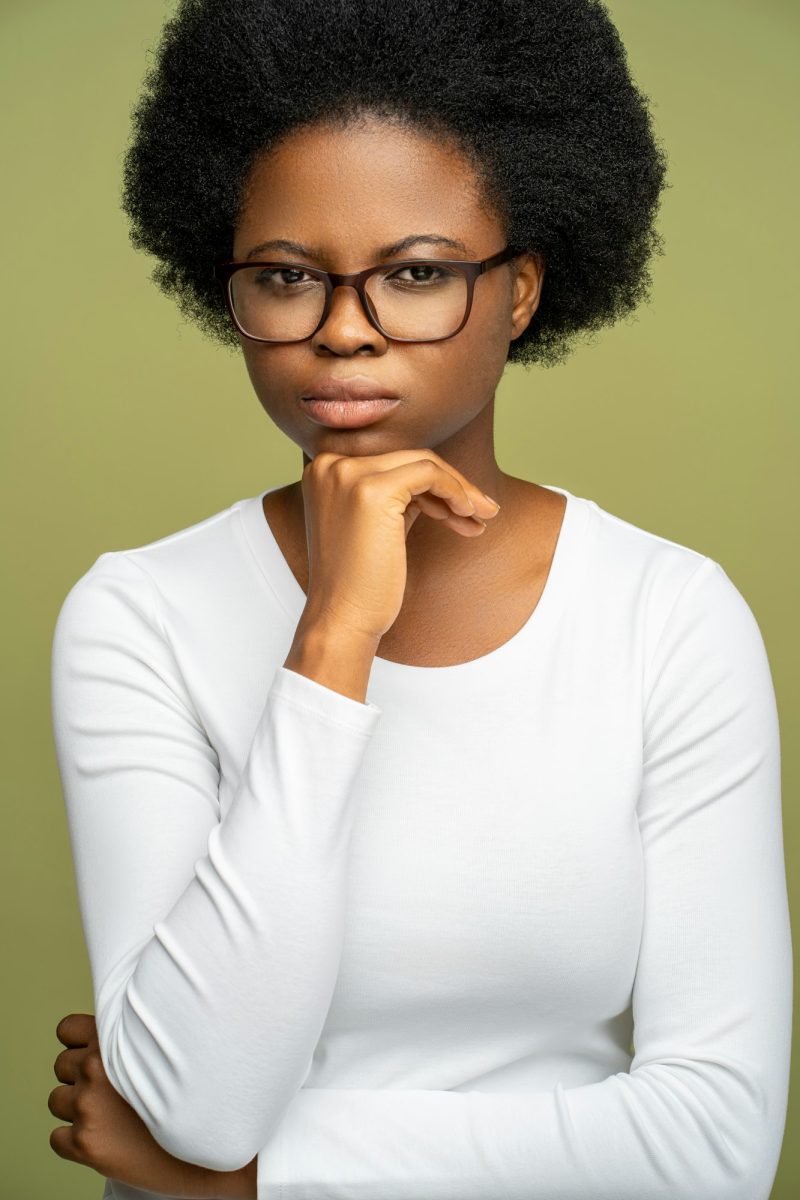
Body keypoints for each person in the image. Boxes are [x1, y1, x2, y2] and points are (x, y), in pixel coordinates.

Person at [48, 1, 792, 1198]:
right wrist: (333, 638)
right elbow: (198, 1101)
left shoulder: (666, 617)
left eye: (415, 275)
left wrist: (252, 1186)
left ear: (519, 290)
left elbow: (712, 1149)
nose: (344, 333)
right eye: (287, 278)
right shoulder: (140, 617)